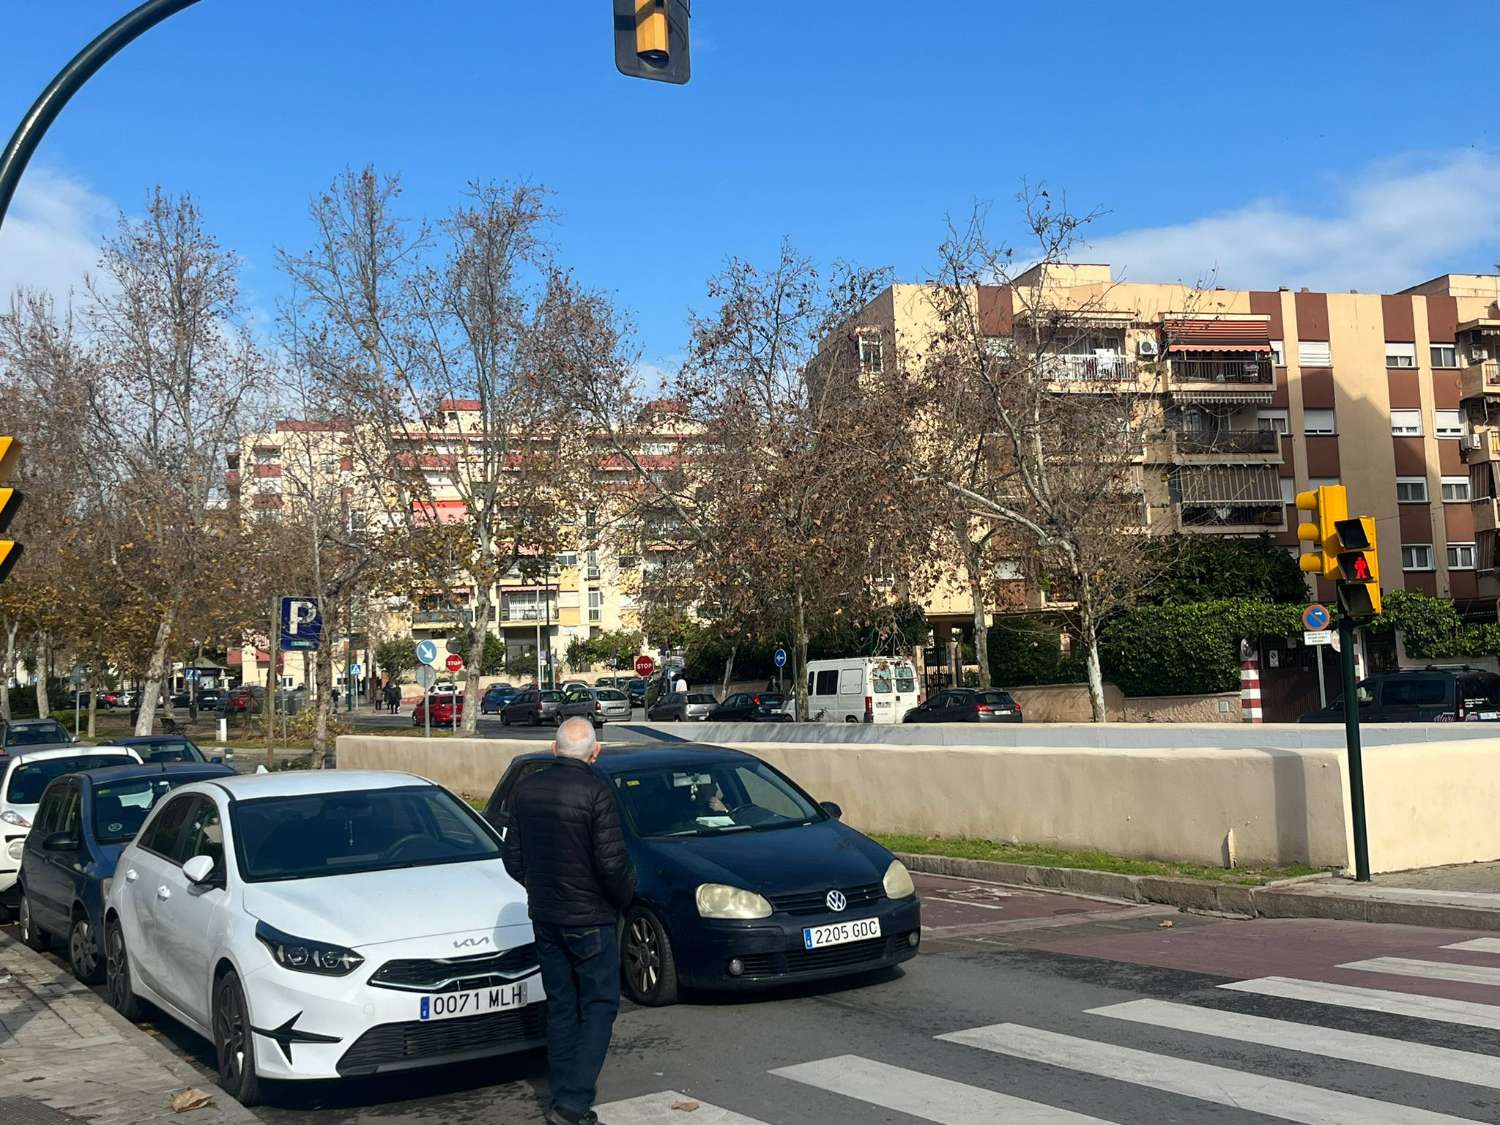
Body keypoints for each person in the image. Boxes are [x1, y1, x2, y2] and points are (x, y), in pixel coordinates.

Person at [503, 717, 636, 1125]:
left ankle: (564, 1099)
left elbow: (513, 858)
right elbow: (612, 864)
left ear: (553, 748)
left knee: (561, 1006)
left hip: (546, 916)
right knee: (598, 1006)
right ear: (595, 752)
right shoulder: (597, 791)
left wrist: (538, 886)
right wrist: (625, 900)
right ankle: (573, 1103)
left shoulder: (526, 789)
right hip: (591, 918)